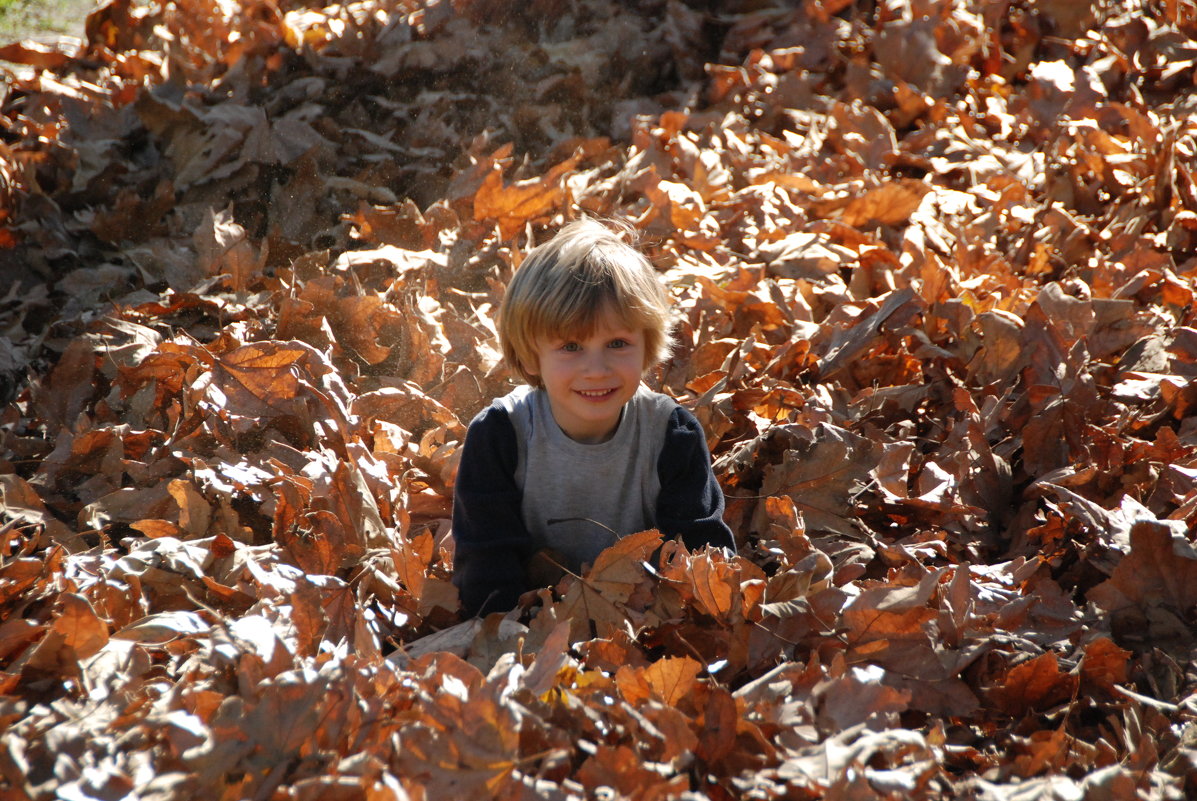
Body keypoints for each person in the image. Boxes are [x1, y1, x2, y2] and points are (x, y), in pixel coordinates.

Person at [451, 217, 735, 617]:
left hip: (644, 621)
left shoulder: (670, 434)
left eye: (617, 343)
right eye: (571, 346)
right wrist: (512, 636)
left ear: (647, 344)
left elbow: (702, 555)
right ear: (532, 354)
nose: (597, 369)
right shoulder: (501, 434)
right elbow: (486, 567)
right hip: (533, 622)